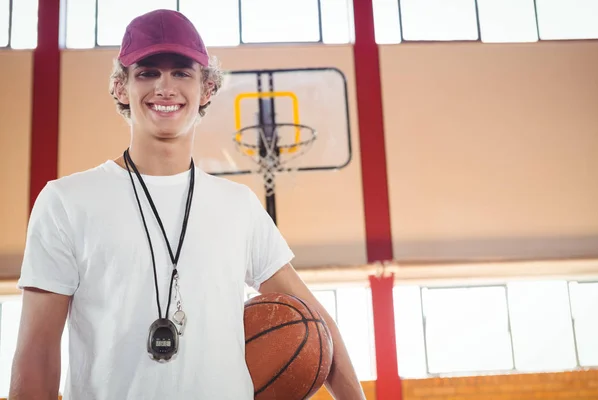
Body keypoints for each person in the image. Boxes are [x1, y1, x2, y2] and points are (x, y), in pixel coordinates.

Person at [9, 9, 366, 400]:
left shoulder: (239, 207)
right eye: (147, 72)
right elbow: (37, 356)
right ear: (120, 87)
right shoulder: (65, 202)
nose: (165, 87)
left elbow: (317, 323)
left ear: (207, 89)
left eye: (182, 72)